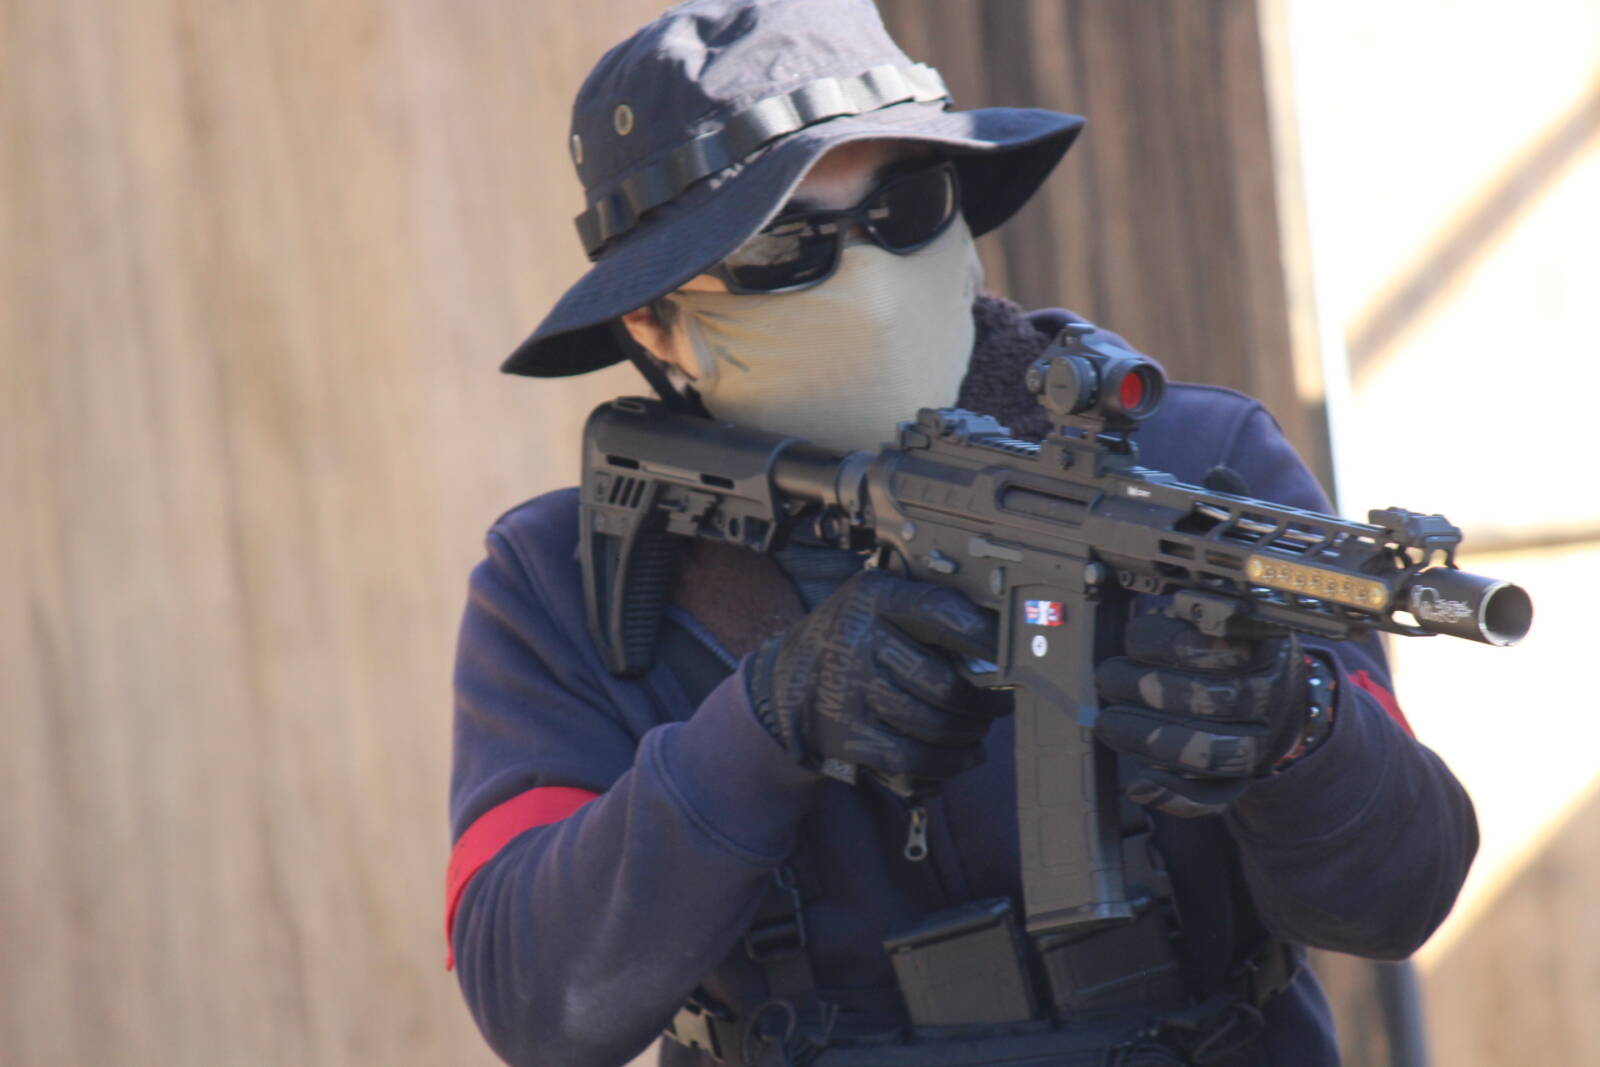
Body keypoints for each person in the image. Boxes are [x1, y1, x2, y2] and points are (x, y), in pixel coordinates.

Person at [445, 2, 1477, 1065]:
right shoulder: (563, 575)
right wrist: (765, 724)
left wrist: (1297, 727)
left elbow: (1403, 895)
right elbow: (538, 1001)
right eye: (785, 248)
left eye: (906, 208)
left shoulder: (1197, 460)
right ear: (654, 325)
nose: (869, 278)